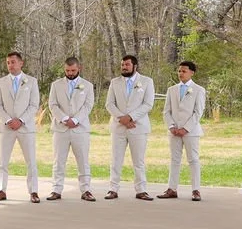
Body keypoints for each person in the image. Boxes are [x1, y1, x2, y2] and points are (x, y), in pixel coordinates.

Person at [0, 51, 41, 203]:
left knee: (31, 160)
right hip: (6, 127)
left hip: (25, 127)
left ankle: (33, 191)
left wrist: (20, 120)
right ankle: (1, 190)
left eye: (13, 62)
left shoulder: (31, 81)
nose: (10, 65)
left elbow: (34, 105)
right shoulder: (1, 82)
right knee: (2, 161)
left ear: (21, 63)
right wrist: (8, 120)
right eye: (8, 63)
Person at [104, 54, 156, 201]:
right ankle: (113, 189)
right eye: (122, 65)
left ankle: (141, 190)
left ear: (135, 66)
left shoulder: (146, 82)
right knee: (115, 159)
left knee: (138, 160)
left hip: (138, 127)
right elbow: (109, 104)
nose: (124, 67)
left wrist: (131, 117)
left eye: (127, 65)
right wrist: (122, 118)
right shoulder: (115, 82)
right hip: (119, 126)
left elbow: (148, 104)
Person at [46, 57, 96, 202]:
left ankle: (86, 190)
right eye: (67, 70)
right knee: (58, 160)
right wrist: (64, 118)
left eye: (73, 70)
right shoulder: (56, 85)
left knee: (83, 161)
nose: (70, 73)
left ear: (78, 68)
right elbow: (53, 105)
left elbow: (88, 106)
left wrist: (75, 120)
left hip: (80, 129)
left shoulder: (87, 85)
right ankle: (56, 189)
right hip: (60, 128)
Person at [158, 61, 207, 202]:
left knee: (193, 160)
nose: (181, 73)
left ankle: (196, 190)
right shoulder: (171, 90)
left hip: (190, 131)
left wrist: (185, 128)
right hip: (174, 131)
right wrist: (172, 126)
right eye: (179, 71)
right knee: (174, 159)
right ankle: (172, 189)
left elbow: (198, 112)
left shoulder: (198, 90)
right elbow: (167, 111)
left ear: (192, 72)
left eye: (184, 71)